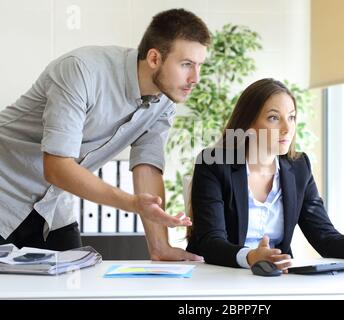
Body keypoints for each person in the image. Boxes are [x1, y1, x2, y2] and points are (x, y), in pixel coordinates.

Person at [0, 8, 210, 261]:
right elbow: (56, 167)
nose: (195, 78)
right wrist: (131, 203)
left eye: (199, 66)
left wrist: (160, 247)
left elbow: (148, 167)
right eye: (186, 64)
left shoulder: (163, 104)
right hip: (6, 189)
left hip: (51, 205)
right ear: (154, 58)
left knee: (74, 283)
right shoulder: (82, 70)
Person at [186, 78, 344, 270]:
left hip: (275, 278)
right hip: (220, 277)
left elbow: (325, 237)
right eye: (274, 118)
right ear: (248, 124)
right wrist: (251, 257)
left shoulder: (298, 167)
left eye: (291, 117)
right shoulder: (215, 165)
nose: (287, 128)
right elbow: (211, 242)